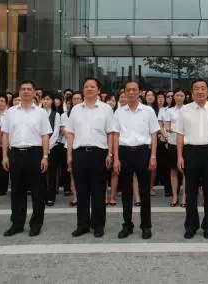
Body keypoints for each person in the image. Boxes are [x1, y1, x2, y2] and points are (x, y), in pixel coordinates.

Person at [175, 79, 208, 240]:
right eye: (196, 89)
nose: (200, 91)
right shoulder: (184, 110)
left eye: (203, 88)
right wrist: (179, 156)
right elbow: (180, 135)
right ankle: (191, 226)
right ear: (191, 93)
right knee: (190, 192)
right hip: (190, 152)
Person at [1, 81, 52, 237]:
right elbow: (5, 134)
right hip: (15, 154)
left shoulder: (41, 113)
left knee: (38, 191)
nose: (26, 91)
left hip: (35, 153)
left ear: (35, 92)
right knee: (17, 191)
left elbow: (45, 136)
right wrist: (4, 155)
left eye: (29, 89)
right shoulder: (10, 112)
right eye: (23, 89)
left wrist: (45, 156)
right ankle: (17, 223)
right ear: (19, 92)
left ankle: (36, 224)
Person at [65, 78, 114, 238]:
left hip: (99, 154)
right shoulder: (76, 109)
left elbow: (110, 133)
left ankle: (98, 225)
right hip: (79, 154)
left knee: (98, 191)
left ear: (98, 90)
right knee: (82, 192)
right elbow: (70, 134)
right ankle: (83, 225)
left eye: (92, 86)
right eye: (86, 86)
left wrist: (110, 154)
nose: (89, 89)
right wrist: (69, 155)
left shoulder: (106, 109)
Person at [112, 80, 159, 240]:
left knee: (145, 191)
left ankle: (146, 225)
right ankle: (127, 225)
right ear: (124, 92)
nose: (131, 92)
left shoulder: (148, 111)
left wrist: (153, 156)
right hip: (124, 152)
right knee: (126, 192)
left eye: (134, 89)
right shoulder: (119, 112)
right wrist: (116, 158)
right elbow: (116, 135)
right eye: (128, 90)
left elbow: (153, 135)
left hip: (143, 152)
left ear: (139, 92)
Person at [164, 88, 187, 207]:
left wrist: (177, 129)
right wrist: (173, 129)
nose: (179, 97)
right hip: (173, 143)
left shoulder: (188, 110)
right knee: (173, 171)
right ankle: (174, 196)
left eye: (181, 95)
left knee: (185, 171)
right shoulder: (169, 111)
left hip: (186, 143)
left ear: (185, 97)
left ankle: (184, 197)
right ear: (174, 97)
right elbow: (167, 127)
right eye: (177, 95)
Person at [42, 92, 64, 206]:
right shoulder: (38, 113)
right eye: (44, 99)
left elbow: (56, 132)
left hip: (52, 147)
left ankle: (50, 196)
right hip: (38, 146)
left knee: (51, 173)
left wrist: (48, 146)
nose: (46, 101)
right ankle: (41, 196)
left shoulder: (56, 115)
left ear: (52, 101)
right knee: (40, 173)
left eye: (48, 99)